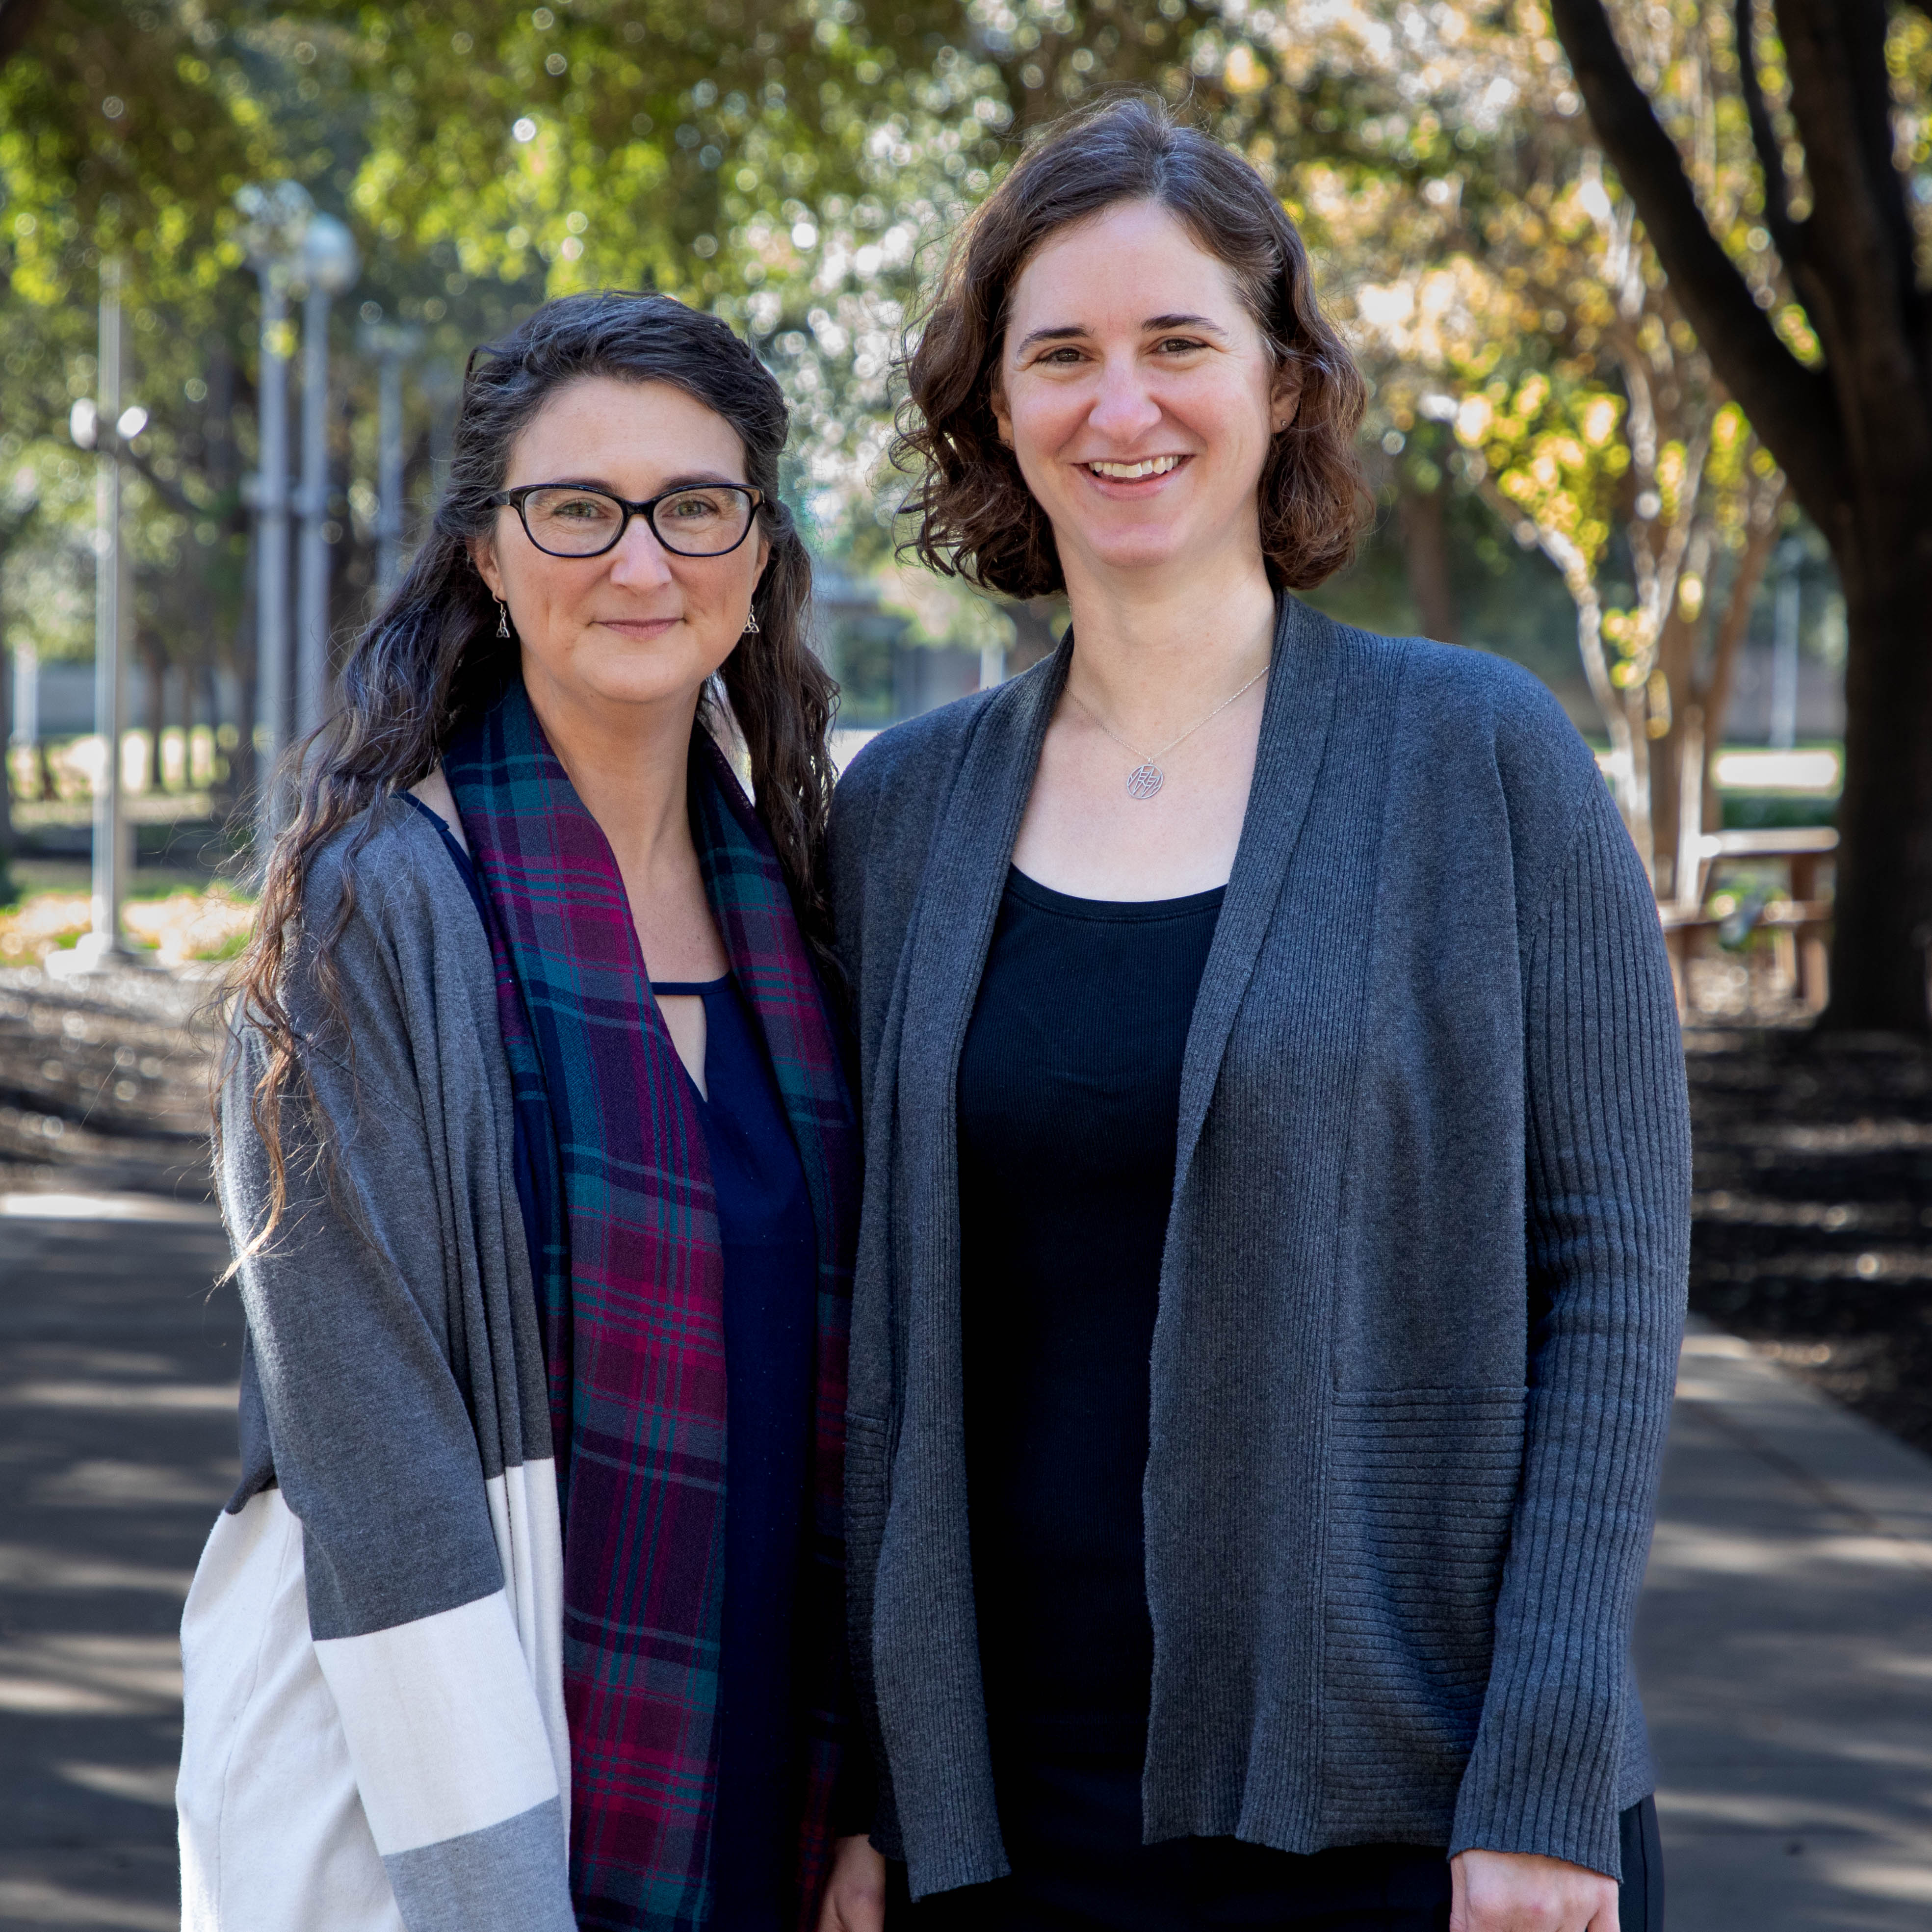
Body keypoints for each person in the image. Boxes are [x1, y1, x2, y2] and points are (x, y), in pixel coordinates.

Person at [827, 96, 1686, 1932]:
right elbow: (859, 1336)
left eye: (1176, 345)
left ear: (1285, 383)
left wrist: (1541, 1767)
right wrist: (865, 1779)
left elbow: (1608, 1267)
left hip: (1411, 1795)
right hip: (1005, 1818)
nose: (1118, 407)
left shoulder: (1479, 758)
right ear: (992, 402)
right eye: (1058, 352)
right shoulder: (899, 816)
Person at [177, 291, 880, 1932]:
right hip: (456, 1801)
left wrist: (874, 1798)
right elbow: (374, 1455)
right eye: (577, 509)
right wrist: (496, 1898)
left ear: (758, 549)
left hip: (762, 1770)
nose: (642, 562)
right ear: (486, 555)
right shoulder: (376, 911)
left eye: (694, 507)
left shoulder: (802, 909)